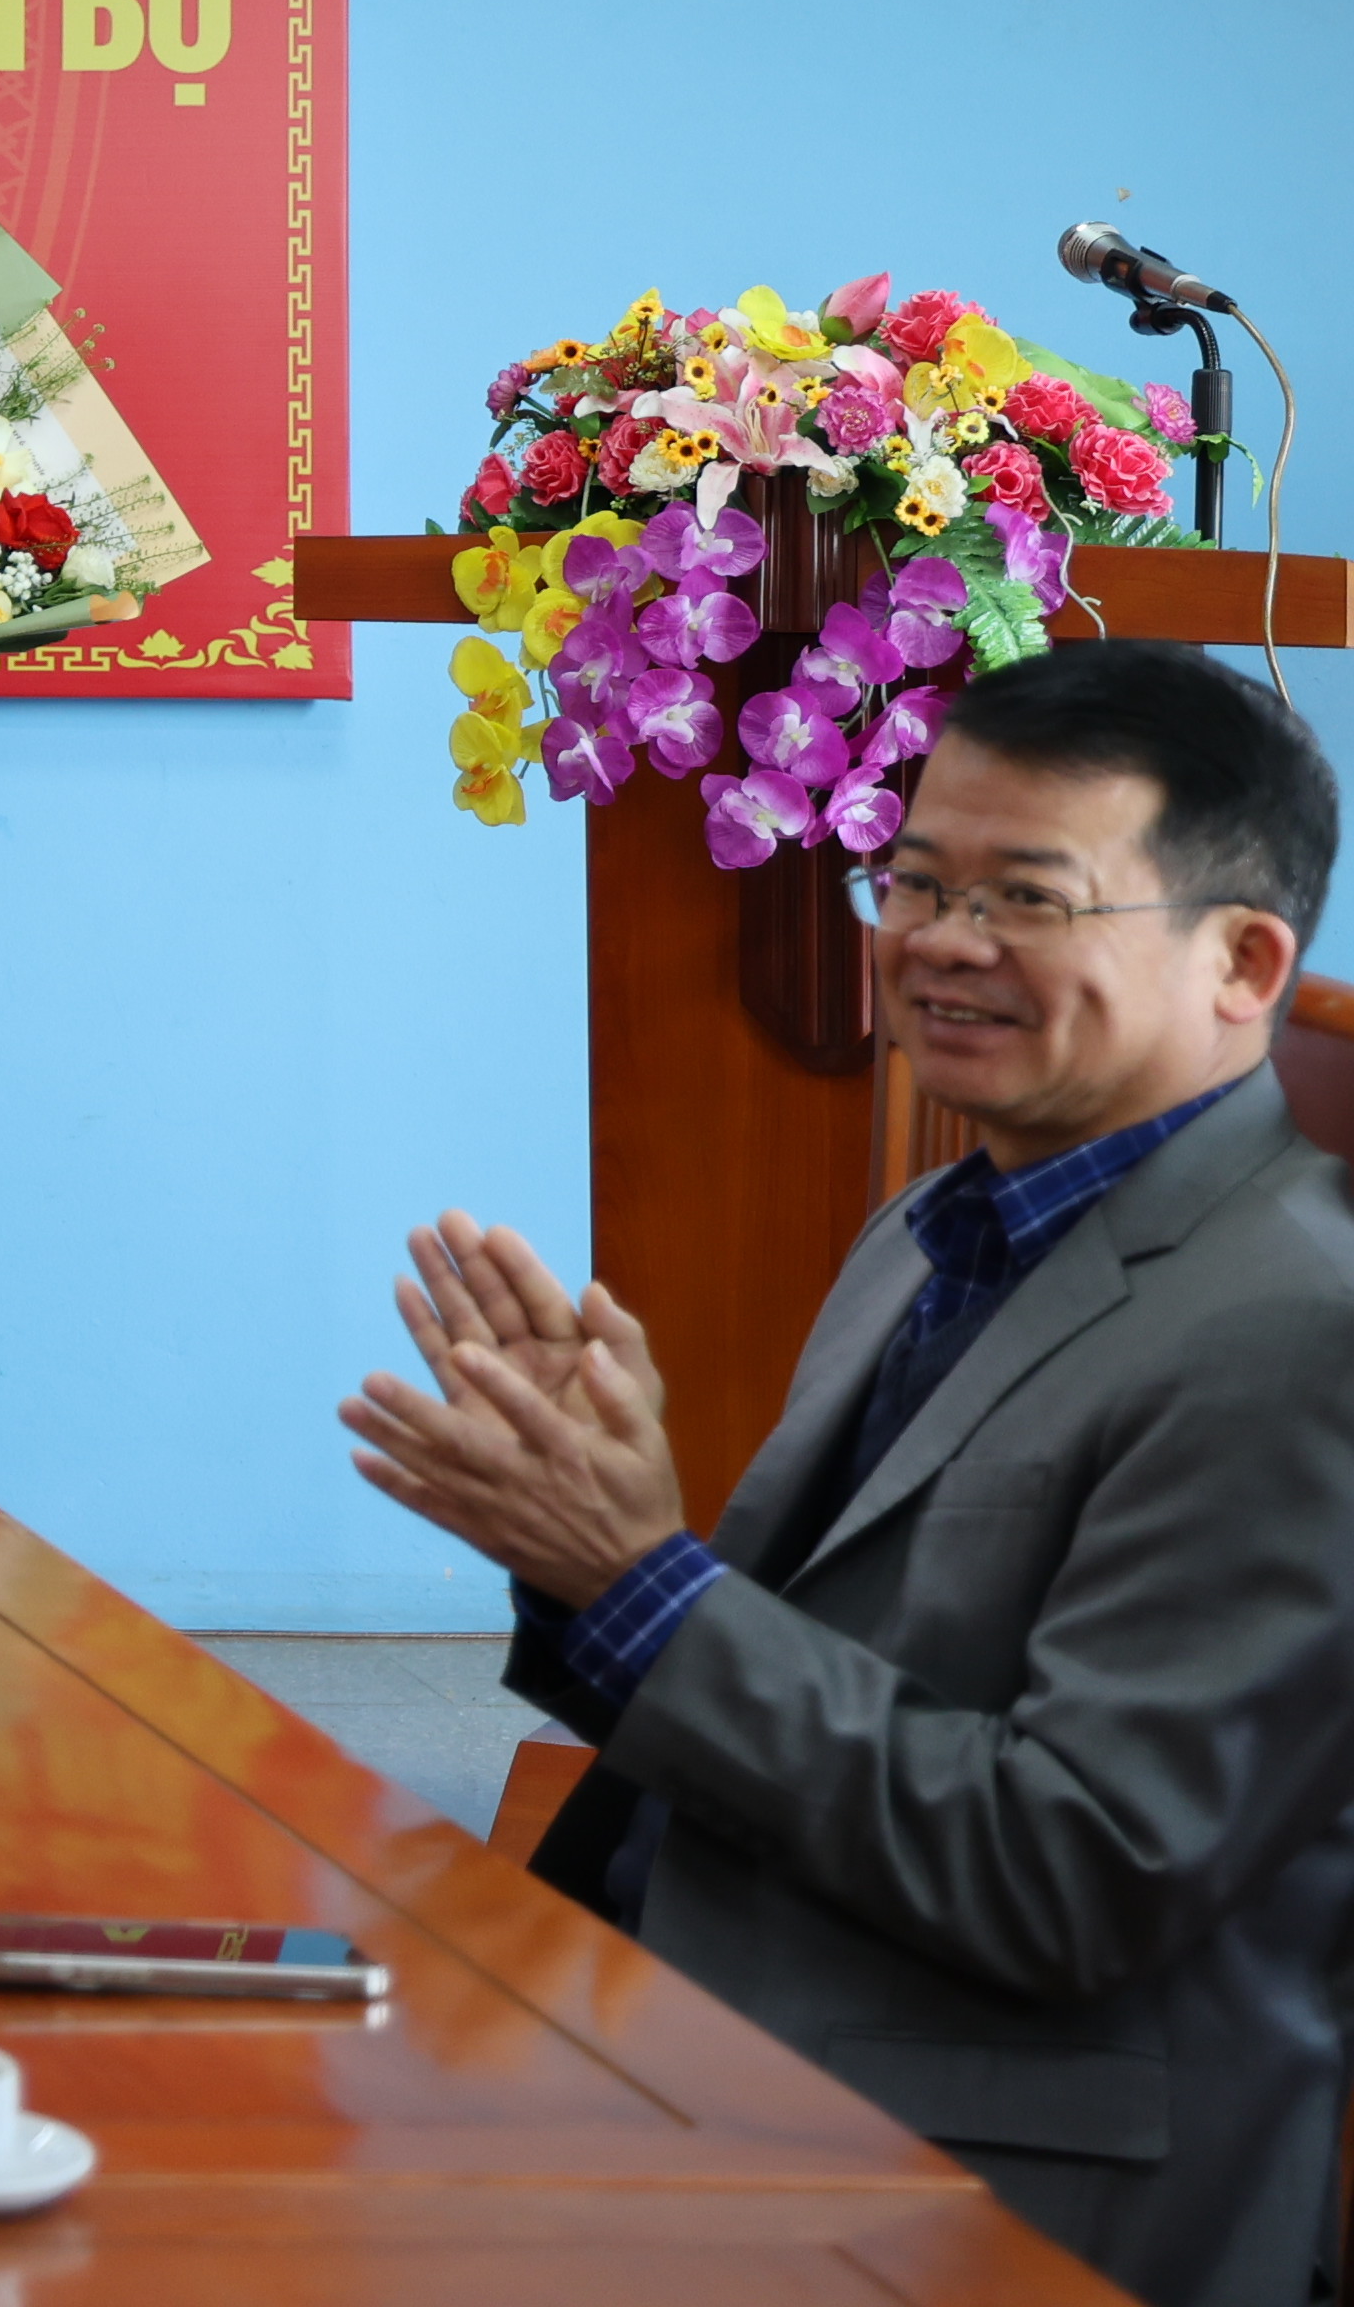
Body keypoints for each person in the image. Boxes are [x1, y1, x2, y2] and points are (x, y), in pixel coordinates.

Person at [350, 642, 1354, 2307]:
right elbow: (818, 1678)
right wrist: (581, 1540)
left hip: (990, 2177)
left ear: (1243, 959)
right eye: (916, 879)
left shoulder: (1298, 1328)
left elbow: (1075, 1875)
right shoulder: (935, 1225)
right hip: (707, 1997)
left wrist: (639, 1582)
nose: (941, 941)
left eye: (1029, 899)